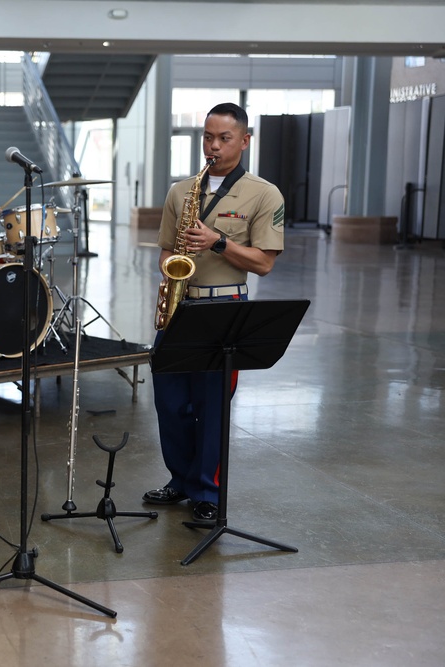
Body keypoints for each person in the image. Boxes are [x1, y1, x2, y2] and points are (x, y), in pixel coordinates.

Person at [144, 102, 285, 525]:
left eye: (224, 138)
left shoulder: (264, 193)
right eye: (208, 136)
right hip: (180, 304)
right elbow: (166, 250)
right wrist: (173, 269)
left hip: (225, 306)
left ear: (244, 140)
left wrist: (218, 242)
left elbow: (263, 262)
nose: (214, 146)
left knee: (212, 406)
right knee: (169, 402)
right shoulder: (179, 191)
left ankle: (207, 490)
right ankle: (181, 479)